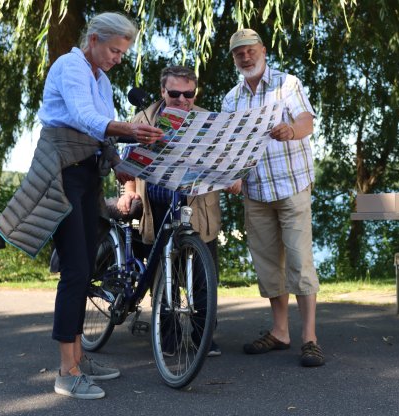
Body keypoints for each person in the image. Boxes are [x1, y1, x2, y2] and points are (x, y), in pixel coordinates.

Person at [0, 12, 165, 400]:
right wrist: (129, 129)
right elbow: (88, 119)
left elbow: (99, 130)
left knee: (86, 267)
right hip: (63, 173)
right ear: (92, 39)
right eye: (114, 50)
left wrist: (121, 166)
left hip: (87, 174)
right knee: (74, 270)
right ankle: (66, 371)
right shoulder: (69, 65)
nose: (118, 58)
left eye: (123, 53)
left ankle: (80, 360)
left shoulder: (100, 79)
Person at [221, 29, 325, 367]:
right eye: (239, 54)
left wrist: (292, 131)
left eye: (251, 51)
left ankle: (310, 338)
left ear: (263, 51)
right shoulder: (231, 99)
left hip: (291, 185)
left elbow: (307, 120)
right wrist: (233, 175)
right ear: (234, 59)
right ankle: (280, 332)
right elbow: (231, 148)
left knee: (299, 261)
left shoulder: (287, 84)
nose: (246, 58)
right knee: (268, 266)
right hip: (255, 192)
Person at [111, 65, 226, 357]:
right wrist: (130, 193)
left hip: (197, 207)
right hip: (158, 206)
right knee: (163, 276)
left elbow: (222, 160)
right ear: (163, 91)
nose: (182, 100)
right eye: (174, 93)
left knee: (203, 278)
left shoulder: (207, 120)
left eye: (188, 94)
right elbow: (128, 165)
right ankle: (169, 338)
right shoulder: (144, 118)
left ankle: (202, 338)